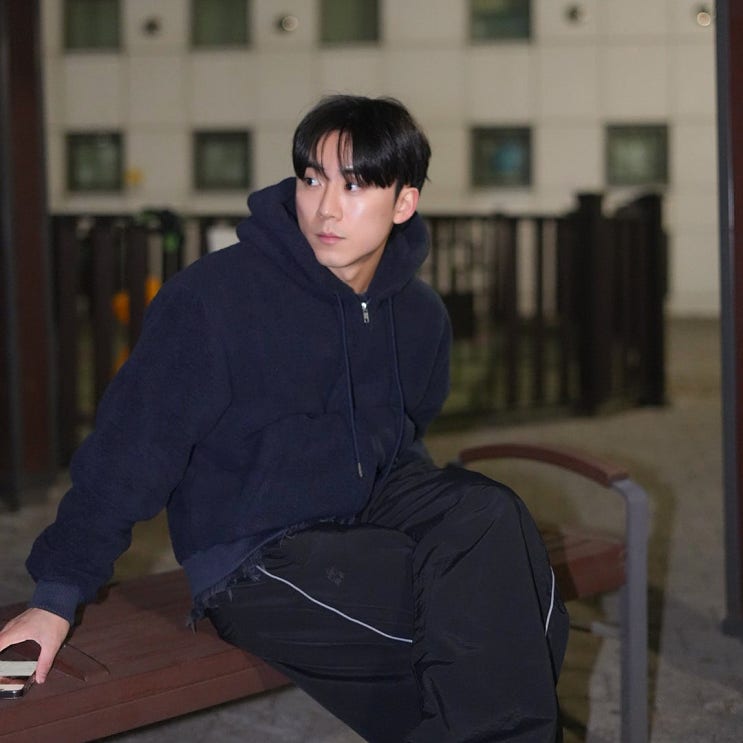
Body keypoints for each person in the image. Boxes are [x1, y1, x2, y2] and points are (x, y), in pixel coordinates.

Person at [0, 95, 568, 742]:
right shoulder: (213, 300)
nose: (326, 208)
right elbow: (131, 452)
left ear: (403, 202)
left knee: (494, 524)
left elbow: (409, 424)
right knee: (492, 627)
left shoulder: (419, 315)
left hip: (371, 508)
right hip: (256, 547)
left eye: (354, 185)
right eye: (312, 178)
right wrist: (56, 596)